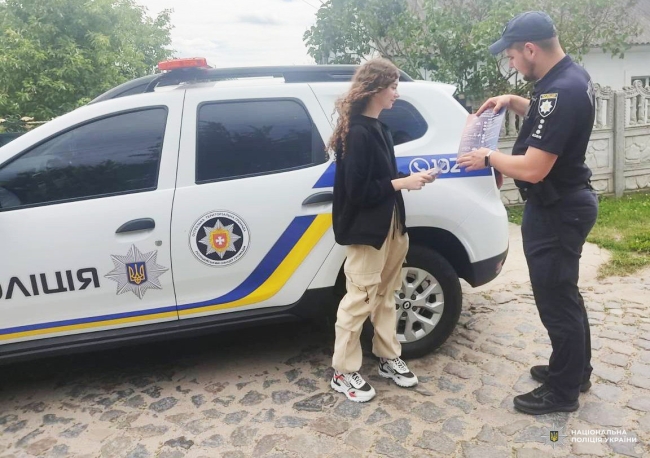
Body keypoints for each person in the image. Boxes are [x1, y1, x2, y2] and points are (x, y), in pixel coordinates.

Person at [457, 11, 598, 415]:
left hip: (556, 210)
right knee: (565, 294)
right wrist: (512, 101)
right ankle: (575, 370)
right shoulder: (569, 78)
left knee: (556, 301)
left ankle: (563, 392)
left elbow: (534, 168)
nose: (512, 63)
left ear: (531, 49)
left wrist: (488, 156)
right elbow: (546, 118)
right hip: (565, 204)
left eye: (513, 56)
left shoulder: (560, 92)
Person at [328, 58, 435, 402]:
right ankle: (343, 371)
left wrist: (410, 179)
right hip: (366, 231)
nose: (396, 94)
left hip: (391, 226)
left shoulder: (379, 128)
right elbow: (358, 192)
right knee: (359, 299)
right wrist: (402, 183)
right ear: (374, 89)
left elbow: (382, 180)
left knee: (387, 295)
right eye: (392, 87)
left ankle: (388, 357)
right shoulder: (357, 132)